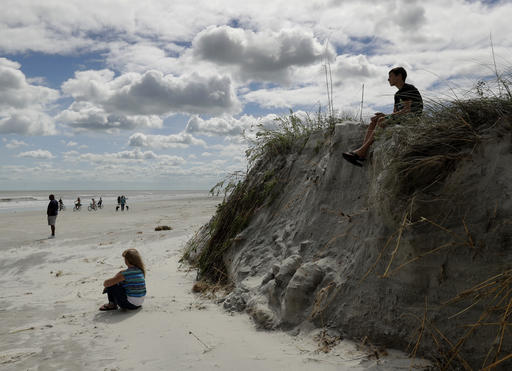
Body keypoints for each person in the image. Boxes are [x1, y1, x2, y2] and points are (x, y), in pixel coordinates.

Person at [342, 66, 423, 167]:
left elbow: (407, 110)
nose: (388, 79)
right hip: (402, 117)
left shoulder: (408, 88)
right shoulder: (397, 94)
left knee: (381, 120)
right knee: (374, 121)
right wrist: (384, 115)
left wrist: (385, 117)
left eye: (391, 76)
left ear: (399, 76)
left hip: (412, 118)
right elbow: (395, 112)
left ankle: (361, 151)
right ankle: (362, 152)